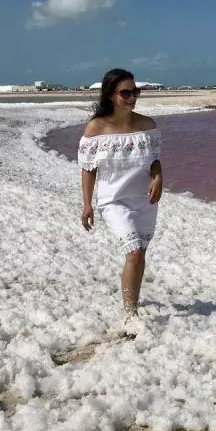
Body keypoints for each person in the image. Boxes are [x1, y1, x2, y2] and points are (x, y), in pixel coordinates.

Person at [78, 68, 163, 333]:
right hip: (113, 201)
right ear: (111, 95)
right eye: (125, 92)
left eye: (134, 91)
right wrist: (87, 204)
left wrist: (158, 178)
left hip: (144, 200)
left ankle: (132, 302)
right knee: (134, 252)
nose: (132, 97)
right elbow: (88, 167)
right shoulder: (97, 127)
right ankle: (129, 314)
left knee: (140, 253)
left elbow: (155, 161)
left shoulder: (147, 125)